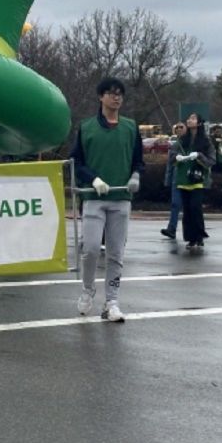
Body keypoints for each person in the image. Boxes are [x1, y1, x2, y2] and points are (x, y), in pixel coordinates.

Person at [71, 77, 143, 322]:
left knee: (115, 252)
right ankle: (87, 289)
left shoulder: (131, 128)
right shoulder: (87, 127)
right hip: (93, 198)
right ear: (101, 97)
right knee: (90, 248)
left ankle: (112, 300)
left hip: (121, 197)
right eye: (112, 93)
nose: (117, 98)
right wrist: (93, 180)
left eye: (120, 94)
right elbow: (76, 163)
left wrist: (135, 175)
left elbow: (138, 160)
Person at [175, 112, 215, 254]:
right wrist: (177, 158)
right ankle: (190, 238)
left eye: (193, 118)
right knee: (187, 210)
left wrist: (199, 156)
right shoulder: (182, 140)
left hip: (197, 180)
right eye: (189, 118)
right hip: (183, 180)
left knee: (195, 208)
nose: (189, 120)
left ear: (199, 123)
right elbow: (173, 155)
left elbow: (211, 160)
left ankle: (199, 236)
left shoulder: (205, 141)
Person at [160, 122, 187, 250]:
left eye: (182, 127)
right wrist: (168, 179)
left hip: (188, 179)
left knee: (190, 207)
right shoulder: (174, 145)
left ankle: (192, 232)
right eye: (177, 128)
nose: (179, 129)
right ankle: (172, 228)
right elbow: (170, 165)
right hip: (177, 179)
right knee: (175, 204)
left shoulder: (190, 143)